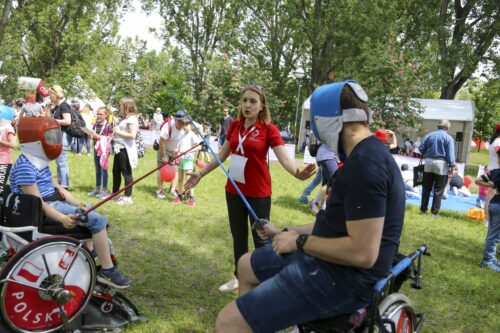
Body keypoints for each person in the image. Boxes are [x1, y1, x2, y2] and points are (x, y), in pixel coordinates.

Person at [213, 80, 405, 332]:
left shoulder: (365, 166)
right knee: (246, 265)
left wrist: (299, 242)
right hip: (329, 262)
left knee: (227, 322)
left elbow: (362, 253)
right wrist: (287, 231)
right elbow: (336, 225)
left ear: (328, 119)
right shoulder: (366, 154)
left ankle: (247, 322)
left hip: (342, 279)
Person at [185, 84, 315, 293]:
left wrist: (299, 174)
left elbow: (283, 158)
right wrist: (200, 173)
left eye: (253, 101)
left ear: (262, 105)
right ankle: (238, 276)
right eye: (244, 100)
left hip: (258, 193)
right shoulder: (236, 126)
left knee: (261, 239)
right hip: (234, 190)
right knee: (238, 236)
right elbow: (222, 154)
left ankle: (263, 282)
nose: (247, 105)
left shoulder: (268, 129)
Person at [9, 117, 132, 288]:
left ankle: (90, 254)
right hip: (44, 212)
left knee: (90, 210)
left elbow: (57, 187)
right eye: (50, 137)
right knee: (97, 220)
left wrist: (78, 203)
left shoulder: (39, 161)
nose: (54, 141)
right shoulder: (25, 166)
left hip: (54, 202)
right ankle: (107, 269)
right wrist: (62, 218)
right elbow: (38, 204)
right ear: (35, 141)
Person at [418, 119, 455, 217]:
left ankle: (423, 210)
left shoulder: (429, 135)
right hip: (441, 164)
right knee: (438, 190)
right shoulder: (448, 138)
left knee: (426, 188)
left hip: (428, 162)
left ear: (438, 126)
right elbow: (450, 155)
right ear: (447, 127)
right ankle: (434, 212)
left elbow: (420, 148)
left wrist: (427, 153)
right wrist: (452, 166)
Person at [474, 148, 500, 273]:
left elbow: (477, 180)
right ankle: (487, 260)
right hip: (498, 207)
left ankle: (491, 258)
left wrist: (493, 184)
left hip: (493, 204)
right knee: (494, 236)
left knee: (492, 234)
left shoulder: (494, 172)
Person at [112, 97, 139, 206]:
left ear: (126, 106)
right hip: (118, 148)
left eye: (121, 105)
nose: (119, 107)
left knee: (126, 172)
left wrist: (118, 131)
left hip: (125, 149)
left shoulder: (132, 119)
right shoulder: (125, 118)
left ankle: (128, 197)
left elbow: (133, 136)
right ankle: (115, 193)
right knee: (115, 171)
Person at [156, 111, 187, 200]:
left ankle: (173, 190)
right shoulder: (167, 127)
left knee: (175, 169)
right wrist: (164, 156)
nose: (182, 124)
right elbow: (162, 143)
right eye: (180, 122)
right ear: (175, 120)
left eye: (183, 122)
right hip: (164, 148)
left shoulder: (185, 128)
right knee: (161, 169)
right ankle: (160, 191)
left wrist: (177, 153)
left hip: (174, 150)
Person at [49, 85, 72, 190]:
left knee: (62, 162)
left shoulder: (64, 106)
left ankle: (64, 185)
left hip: (63, 136)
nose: (49, 96)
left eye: (50, 94)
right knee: (59, 161)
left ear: (55, 95)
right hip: (58, 135)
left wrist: (54, 121)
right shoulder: (57, 107)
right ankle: (59, 183)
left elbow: (67, 121)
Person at [88, 106, 113, 199]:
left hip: (104, 151)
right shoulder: (95, 124)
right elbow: (93, 134)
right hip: (96, 149)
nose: (98, 116)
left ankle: (104, 190)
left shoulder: (108, 126)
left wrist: (99, 137)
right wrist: (91, 135)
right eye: (97, 114)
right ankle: (97, 188)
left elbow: (110, 139)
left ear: (106, 115)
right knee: (97, 169)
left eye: (100, 114)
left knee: (104, 169)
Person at [308, 143, 338, 215]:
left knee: (327, 183)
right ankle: (324, 209)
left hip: (323, 156)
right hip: (327, 156)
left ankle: (316, 204)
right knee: (334, 183)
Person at [176, 121, 201, 206]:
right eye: (183, 124)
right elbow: (178, 147)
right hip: (180, 159)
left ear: (191, 126)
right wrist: (176, 150)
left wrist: (189, 151)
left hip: (188, 160)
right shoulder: (182, 135)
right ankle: (179, 197)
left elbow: (199, 146)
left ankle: (191, 199)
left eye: (186, 125)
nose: (184, 126)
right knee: (180, 179)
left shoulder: (192, 135)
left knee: (189, 180)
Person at [0, 105, 16, 195]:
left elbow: (13, 144)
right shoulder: (1, 128)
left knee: (0, 186)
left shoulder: (9, 128)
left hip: (4, 161)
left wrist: (1, 141)